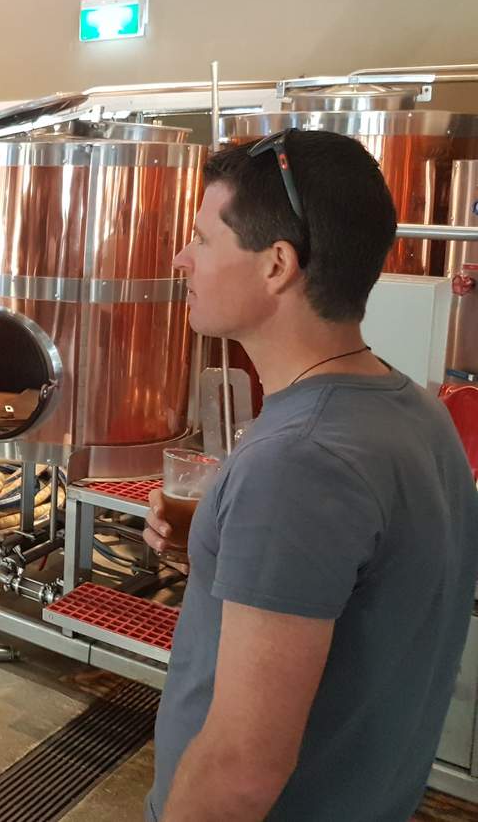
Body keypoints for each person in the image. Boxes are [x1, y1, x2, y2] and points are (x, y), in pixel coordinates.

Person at [142, 129, 478, 821]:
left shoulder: (298, 461)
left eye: (202, 238)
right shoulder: (415, 411)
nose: (181, 258)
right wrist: (222, 551)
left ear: (277, 265)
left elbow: (240, 769)